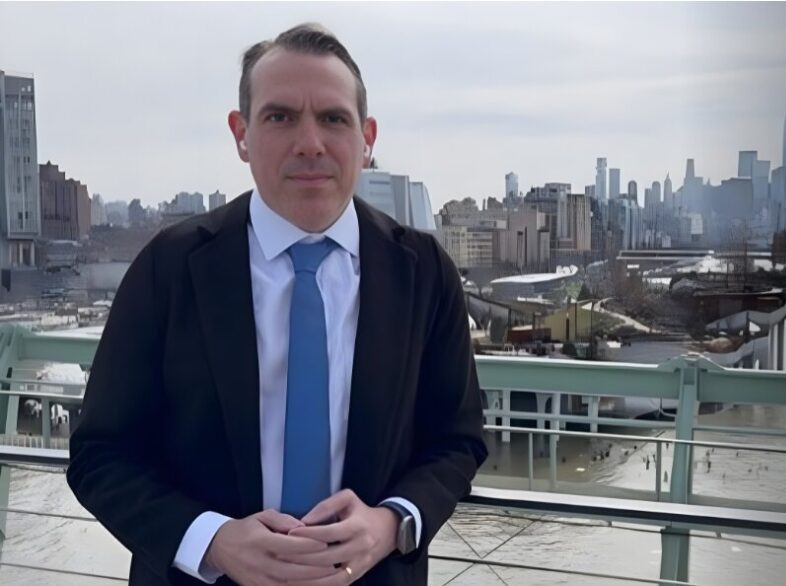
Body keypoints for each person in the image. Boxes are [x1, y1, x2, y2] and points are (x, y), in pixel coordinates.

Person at [67, 23, 487, 585]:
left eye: (333, 118)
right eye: (280, 116)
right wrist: (210, 540)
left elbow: (457, 440)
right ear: (241, 134)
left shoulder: (424, 271)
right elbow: (100, 454)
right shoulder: (169, 268)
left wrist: (390, 525)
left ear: (367, 138)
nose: (309, 142)